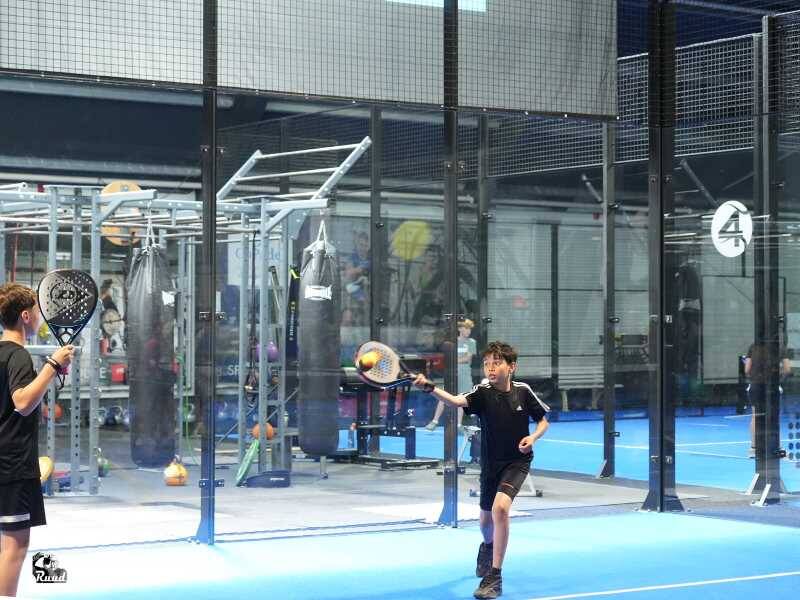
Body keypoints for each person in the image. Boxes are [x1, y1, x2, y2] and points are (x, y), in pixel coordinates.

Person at [413, 340, 549, 599]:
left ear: (511, 367)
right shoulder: (482, 392)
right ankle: (488, 547)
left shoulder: (523, 391)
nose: (490, 368)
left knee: (500, 509)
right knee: (486, 520)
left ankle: (494, 576)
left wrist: (533, 438)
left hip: (517, 462)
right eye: (487, 364)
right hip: (490, 465)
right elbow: (454, 401)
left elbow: (543, 421)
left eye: (496, 363)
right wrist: (429, 387)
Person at [0, 283, 74, 596]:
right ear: (26, 316)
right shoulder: (17, 356)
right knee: (15, 545)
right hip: (12, 465)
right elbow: (22, 402)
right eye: (39, 313)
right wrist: (53, 365)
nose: (43, 319)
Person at [426, 318, 477, 430]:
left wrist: (456, 359)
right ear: (460, 329)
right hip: (452, 374)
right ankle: (434, 421)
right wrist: (456, 360)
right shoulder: (452, 342)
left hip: (465, 374)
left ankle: (458, 425)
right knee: (444, 396)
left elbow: (468, 358)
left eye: (470, 329)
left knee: (462, 397)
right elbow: (449, 358)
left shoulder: (472, 343)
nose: (468, 331)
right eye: (466, 328)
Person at [744, 339, 792, 458]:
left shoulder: (753, 346)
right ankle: (776, 447)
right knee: (773, 416)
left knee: (756, 416)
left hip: (756, 385)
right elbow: (787, 369)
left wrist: (756, 376)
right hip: (772, 386)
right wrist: (777, 375)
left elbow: (747, 370)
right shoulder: (780, 347)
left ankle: (754, 448)